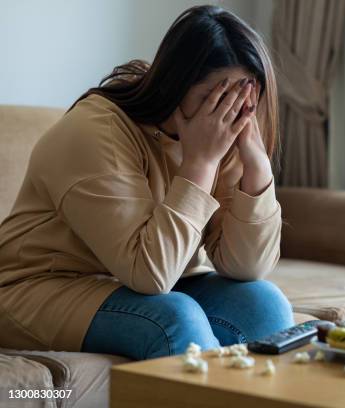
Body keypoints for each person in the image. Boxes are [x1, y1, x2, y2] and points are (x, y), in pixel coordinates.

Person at [0, 5, 294, 360]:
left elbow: (246, 267)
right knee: (173, 319)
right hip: (41, 289)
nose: (227, 113)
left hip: (135, 285)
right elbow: (151, 275)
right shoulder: (95, 131)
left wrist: (257, 164)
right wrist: (200, 162)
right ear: (175, 85)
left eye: (242, 100)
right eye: (213, 99)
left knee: (264, 306)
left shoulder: (226, 136)